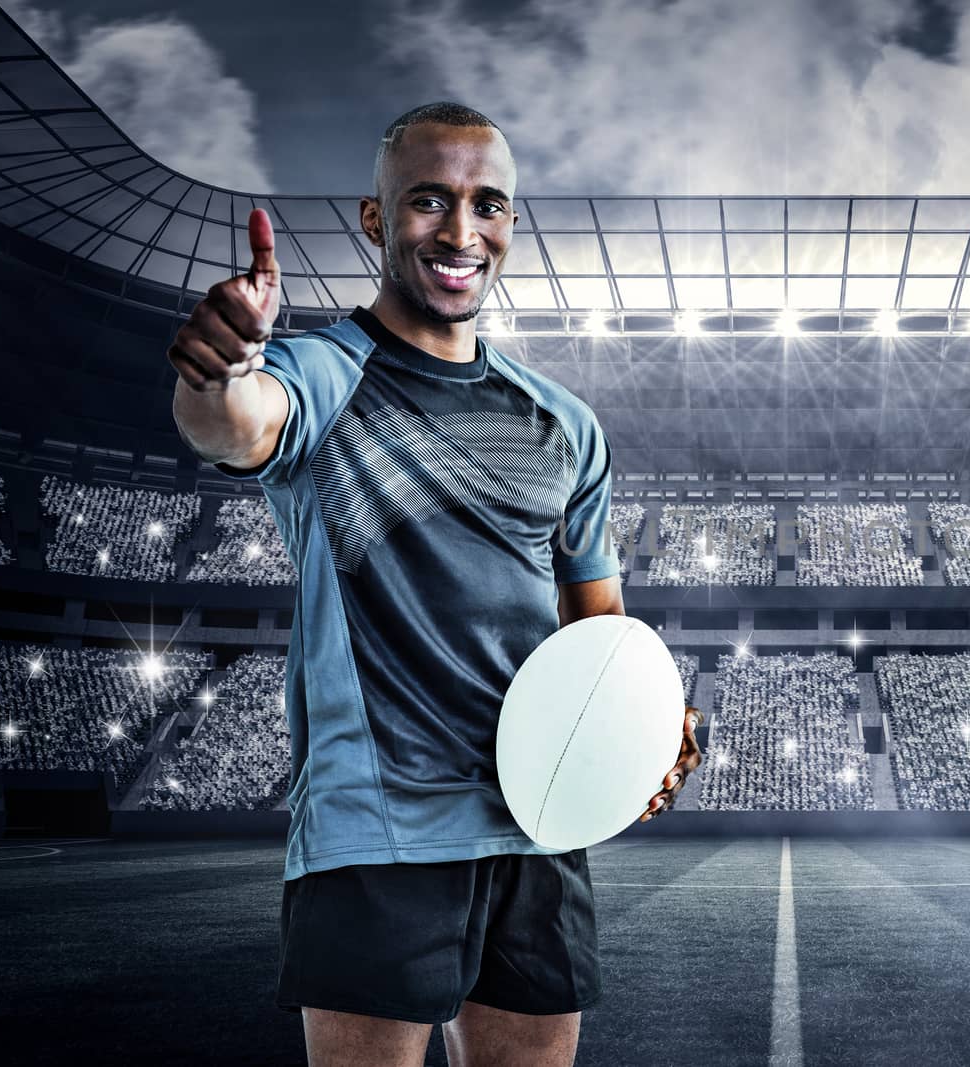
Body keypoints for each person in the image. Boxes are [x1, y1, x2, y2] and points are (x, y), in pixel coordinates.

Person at [167, 101, 701, 1067]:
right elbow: (239, 421)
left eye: (487, 204)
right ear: (377, 221)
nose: (461, 232)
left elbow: (603, 631)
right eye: (428, 201)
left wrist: (656, 721)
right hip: (380, 833)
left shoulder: (563, 423)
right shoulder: (324, 374)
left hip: (538, 822)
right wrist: (220, 367)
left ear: (509, 222)